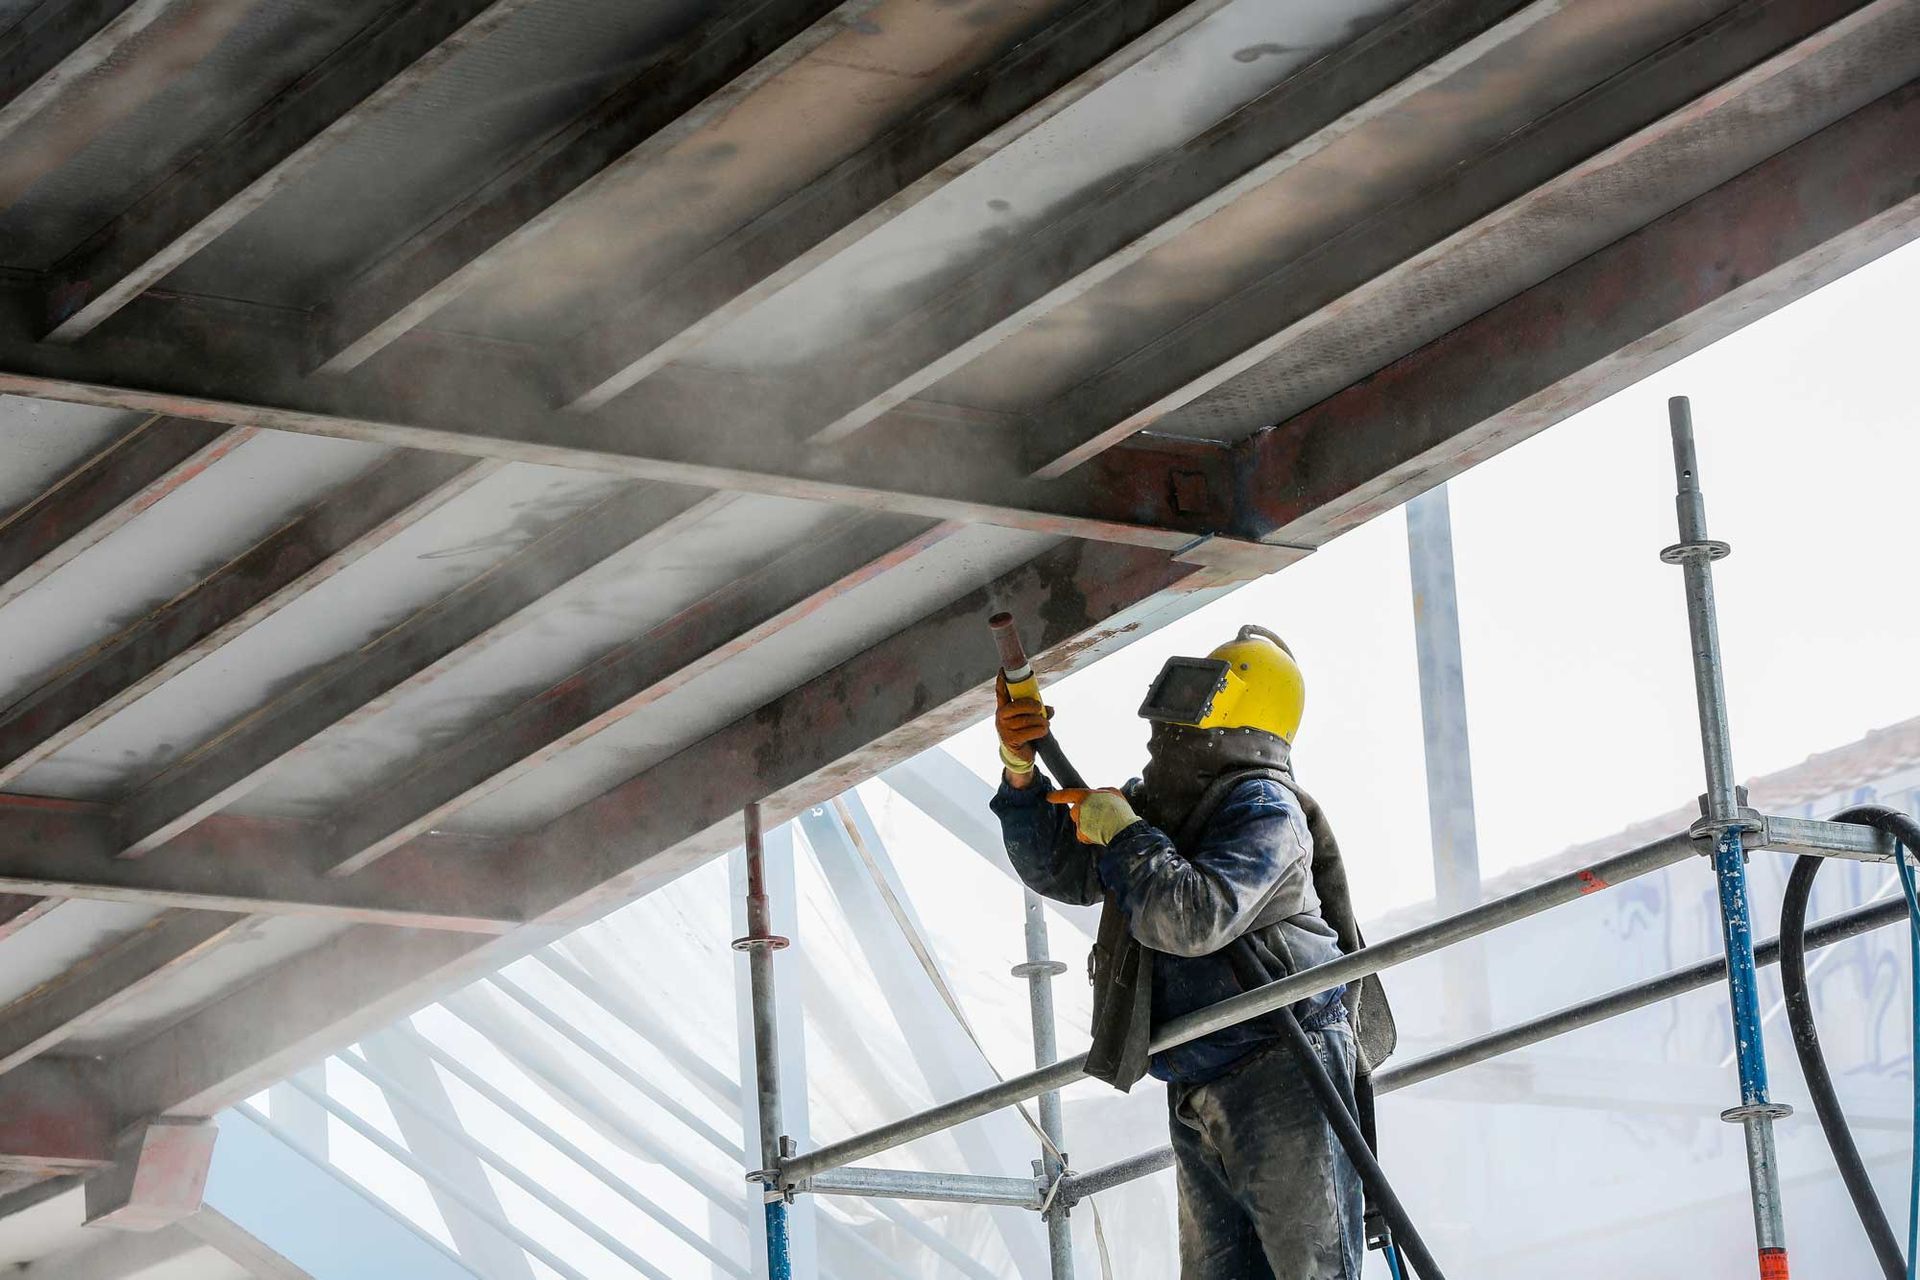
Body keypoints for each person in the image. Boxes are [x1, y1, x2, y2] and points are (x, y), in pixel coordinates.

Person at [991, 625, 1393, 1280]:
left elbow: (1192, 917)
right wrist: (1019, 770)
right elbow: (1061, 868)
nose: (1173, 717)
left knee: (1312, 1272)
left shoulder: (1264, 807)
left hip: (1282, 1061)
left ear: (1236, 707)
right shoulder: (1165, 812)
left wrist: (1126, 834)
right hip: (1202, 1074)